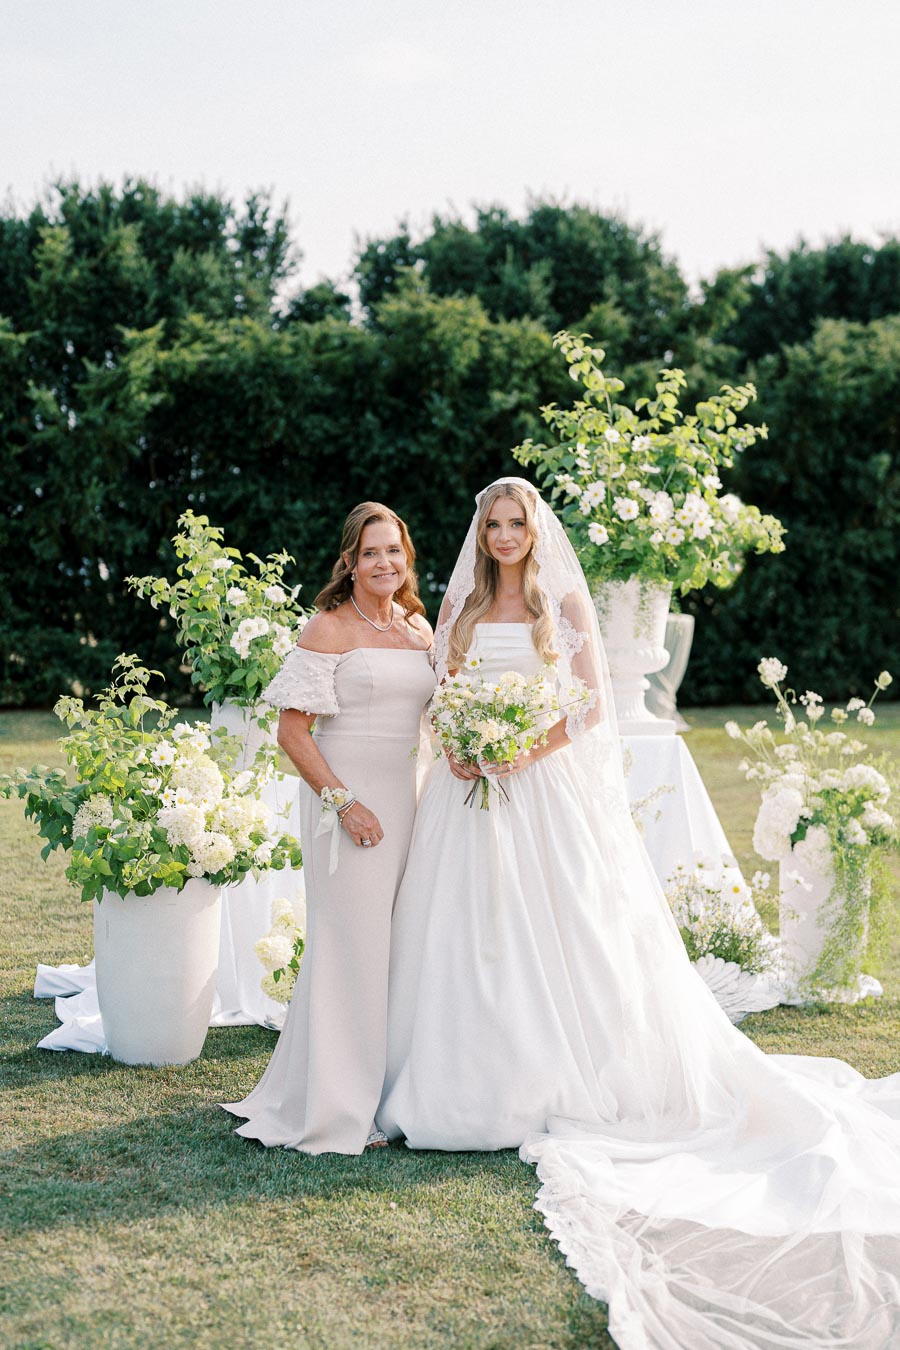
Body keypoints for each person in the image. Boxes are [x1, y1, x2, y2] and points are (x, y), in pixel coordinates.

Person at [379, 477, 900, 1348]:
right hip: (464, 799)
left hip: (540, 791)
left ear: (534, 532)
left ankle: (557, 1076)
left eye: (516, 524)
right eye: (492, 524)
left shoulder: (559, 607)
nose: (503, 536)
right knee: (460, 935)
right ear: (480, 532)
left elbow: (587, 705)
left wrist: (518, 750)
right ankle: (452, 1076)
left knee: (562, 930)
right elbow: (441, 696)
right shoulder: (460, 610)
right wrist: (462, 747)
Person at [223, 502, 434, 1154]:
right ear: (349, 561)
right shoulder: (329, 628)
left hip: (412, 805)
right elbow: (292, 732)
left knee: (397, 949)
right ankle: (339, 1106)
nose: (384, 563)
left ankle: (388, 1093)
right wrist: (345, 804)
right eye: (371, 552)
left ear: (406, 557)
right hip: (346, 809)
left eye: (393, 550)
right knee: (352, 951)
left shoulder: (419, 629)